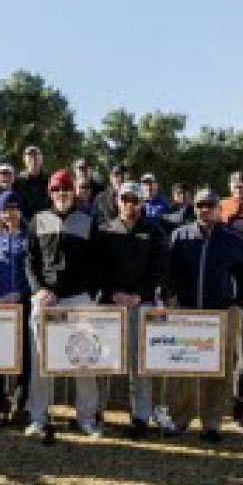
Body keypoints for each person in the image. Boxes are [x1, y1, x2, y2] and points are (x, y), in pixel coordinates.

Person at [165, 189, 243, 442]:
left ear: (219, 208)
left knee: (218, 371)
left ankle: (212, 423)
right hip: (187, 313)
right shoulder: (180, 236)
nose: (205, 209)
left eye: (210, 205)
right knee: (183, 369)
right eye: (200, 205)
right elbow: (168, 273)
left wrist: (239, 302)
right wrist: (171, 297)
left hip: (221, 313)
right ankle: (180, 419)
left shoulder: (234, 240)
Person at [25, 170, 103, 437]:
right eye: (56, 190)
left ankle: (87, 418)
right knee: (40, 359)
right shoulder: (39, 220)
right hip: (47, 298)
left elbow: (98, 262)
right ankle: (38, 416)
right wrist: (38, 290)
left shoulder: (88, 221)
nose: (61, 194)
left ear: (74, 192)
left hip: (79, 298)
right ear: (50, 192)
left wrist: (92, 294)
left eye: (66, 189)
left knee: (84, 359)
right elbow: (30, 260)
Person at [97, 181, 169, 439]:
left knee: (140, 366)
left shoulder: (155, 231)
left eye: (134, 200)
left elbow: (160, 270)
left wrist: (140, 295)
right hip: (112, 306)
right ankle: (98, 414)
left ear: (141, 203)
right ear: (118, 201)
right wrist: (113, 294)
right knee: (104, 362)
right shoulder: (105, 230)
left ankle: (140, 417)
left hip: (143, 304)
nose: (130, 204)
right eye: (125, 199)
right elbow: (99, 270)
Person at [0, 190, 33, 429]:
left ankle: (19, 406)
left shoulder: (29, 237)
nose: (9, 214)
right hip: (0, 306)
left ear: (20, 211)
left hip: (23, 303)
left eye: (13, 209)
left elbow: (34, 271)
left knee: (23, 357)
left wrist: (21, 294)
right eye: (5, 210)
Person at [15, 146, 50, 219]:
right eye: (30, 157)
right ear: (24, 160)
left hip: (46, 222)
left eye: (36, 157)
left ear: (41, 159)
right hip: (25, 223)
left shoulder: (49, 180)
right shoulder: (18, 181)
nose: (34, 160)